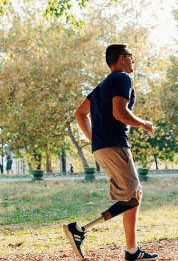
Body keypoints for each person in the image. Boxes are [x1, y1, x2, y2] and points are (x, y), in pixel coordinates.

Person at [63, 43, 158, 261]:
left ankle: (132, 250)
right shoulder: (122, 78)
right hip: (115, 145)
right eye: (131, 57)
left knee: (133, 195)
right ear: (122, 58)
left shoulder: (101, 87)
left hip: (102, 148)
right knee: (132, 197)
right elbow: (120, 113)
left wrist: (95, 139)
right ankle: (79, 230)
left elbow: (80, 113)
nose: (133, 61)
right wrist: (144, 124)